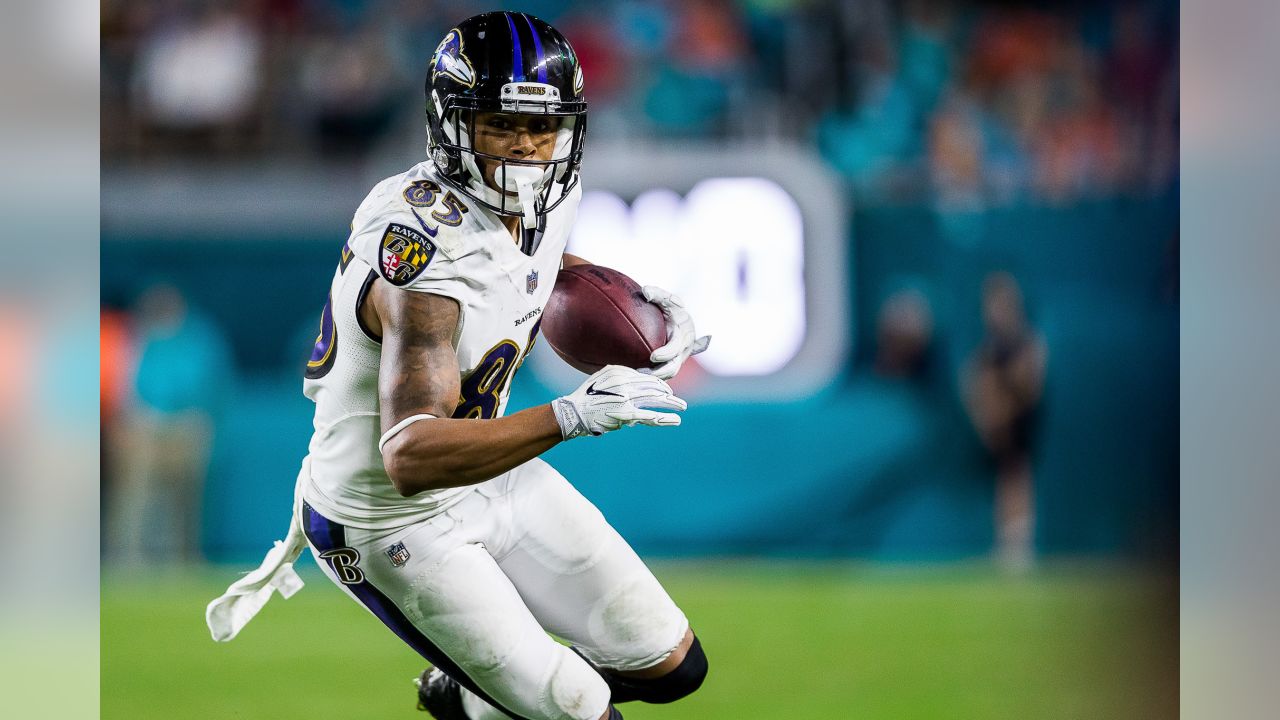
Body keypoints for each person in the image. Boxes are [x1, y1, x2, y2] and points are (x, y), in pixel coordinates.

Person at [206, 13, 711, 720]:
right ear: (452, 123)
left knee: (671, 665)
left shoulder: (546, 192)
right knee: (583, 711)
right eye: (503, 126)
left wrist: (635, 297)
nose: (528, 150)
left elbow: (523, 263)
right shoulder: (419, 256)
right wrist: (570, 415)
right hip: (388, 516)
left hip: (486, 474)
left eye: (543, 129)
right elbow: (410, 452)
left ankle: (469, 701)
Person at [961, 272, 1047, 570]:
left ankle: (1019, 546)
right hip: (998, 426)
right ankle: (1007, 544)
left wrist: (1009, 404)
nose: (995, 310)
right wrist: (987, 414)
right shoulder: (989, 349)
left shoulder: (1024, 342)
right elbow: (973, 381)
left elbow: (1030, 379)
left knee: (1017, 474)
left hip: (1020, 419)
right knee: (1004, 477)